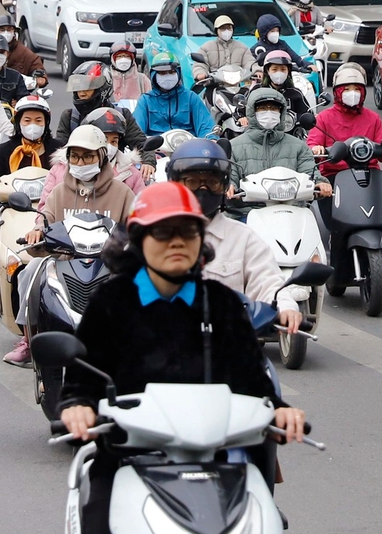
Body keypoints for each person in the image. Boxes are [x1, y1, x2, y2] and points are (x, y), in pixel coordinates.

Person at [48, 182, 304, 534]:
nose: (177, 242)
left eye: (187, 231)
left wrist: (279, 409)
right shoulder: (111, 303)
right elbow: (80, 376)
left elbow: (254, 380)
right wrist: (77, 406)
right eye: (163, 233)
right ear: (138, 239)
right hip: (128, 466)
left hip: (219, 468)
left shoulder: (221, 305)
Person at [167, 138, 304, 336]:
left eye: (212, 183)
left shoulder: (243, 238)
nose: (202, 190)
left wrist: (286, 307)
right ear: (175, 183)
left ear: (223, 186)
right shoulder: (156, 235)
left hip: (229, 350)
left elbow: (268, 282)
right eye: (192, 181)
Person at [227, 87, 321, 196]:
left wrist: (319, 182)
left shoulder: (299, 146)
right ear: (252, 111)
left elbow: (310, 172)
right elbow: (230, 176)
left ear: (281, 112)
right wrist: (230, 186)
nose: (268, 112)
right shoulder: (233, 147)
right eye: (262, 108)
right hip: (247, 209)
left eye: (273, 108)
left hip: (291, 207)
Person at [305, 63, 382, 171]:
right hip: (333, 173)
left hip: (370, 173)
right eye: (347, 89)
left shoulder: (373, 118)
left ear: (363, 92)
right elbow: (312, 145)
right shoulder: (323, 118)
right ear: (337, 92)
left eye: (357, 89)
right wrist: (316, 149)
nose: (352, 93)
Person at [135, 47, 216, 139]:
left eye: (171, 72)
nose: (167, 76)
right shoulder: (145, 100)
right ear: (153, 75)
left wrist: (211, 139)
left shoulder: (191, 97)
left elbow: (205, 125)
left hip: (188, 148)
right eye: (162, 73)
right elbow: (137, 131)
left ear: (178, 73)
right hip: (156, 150)